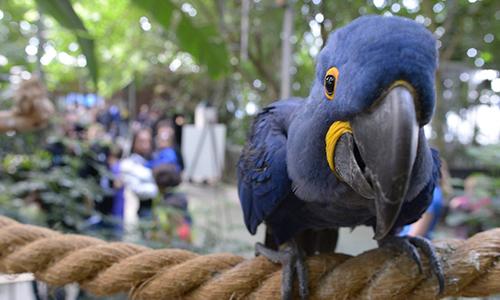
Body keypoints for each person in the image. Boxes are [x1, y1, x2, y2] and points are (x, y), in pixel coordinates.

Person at [120, 128, 158, 218]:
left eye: (148, 141)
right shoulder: (128, 165)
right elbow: (137, 189)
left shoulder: (155, 160)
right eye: (141, 141)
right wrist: (157, 188)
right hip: (140, 211)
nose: (146, 145)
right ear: (134, 143)